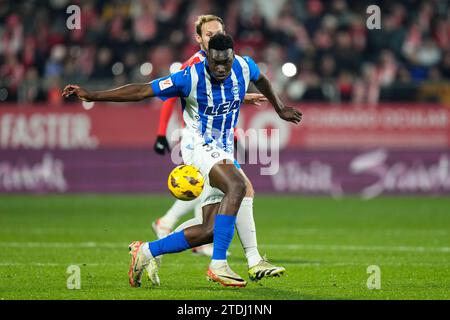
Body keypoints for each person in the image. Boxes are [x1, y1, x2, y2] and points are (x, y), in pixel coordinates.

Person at [62, 33, 302, 288]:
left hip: (222, 148)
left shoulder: (244, 66)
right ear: (207, 57)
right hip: (197, 145)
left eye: (226, 62)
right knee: (238, 186)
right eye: (215, 62)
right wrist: (93, 96)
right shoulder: (190, 77)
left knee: (209, 228)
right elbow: (142, 90)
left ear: (233, 58)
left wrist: (279, 107)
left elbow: (262, 79)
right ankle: (219, 265)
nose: (221, 68)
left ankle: (146, 251)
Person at [152, 15, 266, 259]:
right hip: (198, 141)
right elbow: (170, 95)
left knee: (219, 200)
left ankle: (166, 233)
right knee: (229, 190)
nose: (214, 37)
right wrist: (161, 132)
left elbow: (221, 101)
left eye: (218, 33)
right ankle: (236, 259)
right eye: (209, 34)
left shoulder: (227, 61)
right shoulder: (192, 65)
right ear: (199, 38)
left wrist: (242, 103)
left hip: (219, 141)